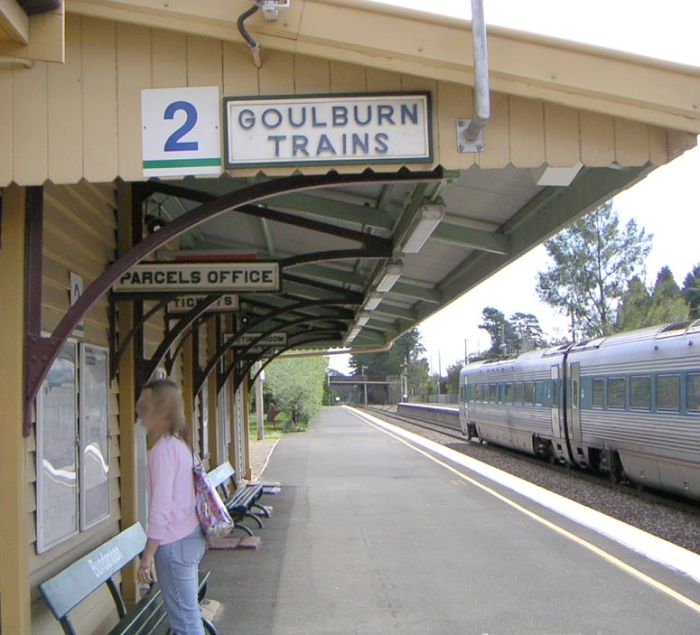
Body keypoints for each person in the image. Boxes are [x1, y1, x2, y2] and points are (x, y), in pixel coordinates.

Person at [135, 379, 206, 635]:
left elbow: (161, 510)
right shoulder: (180, 443)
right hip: (189, 538)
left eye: (145, 404)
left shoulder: (163, 450)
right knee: (187, 618)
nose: (138, 408)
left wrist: (147, 557)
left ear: (162, 410)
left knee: (185, 625)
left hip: (174, 544)